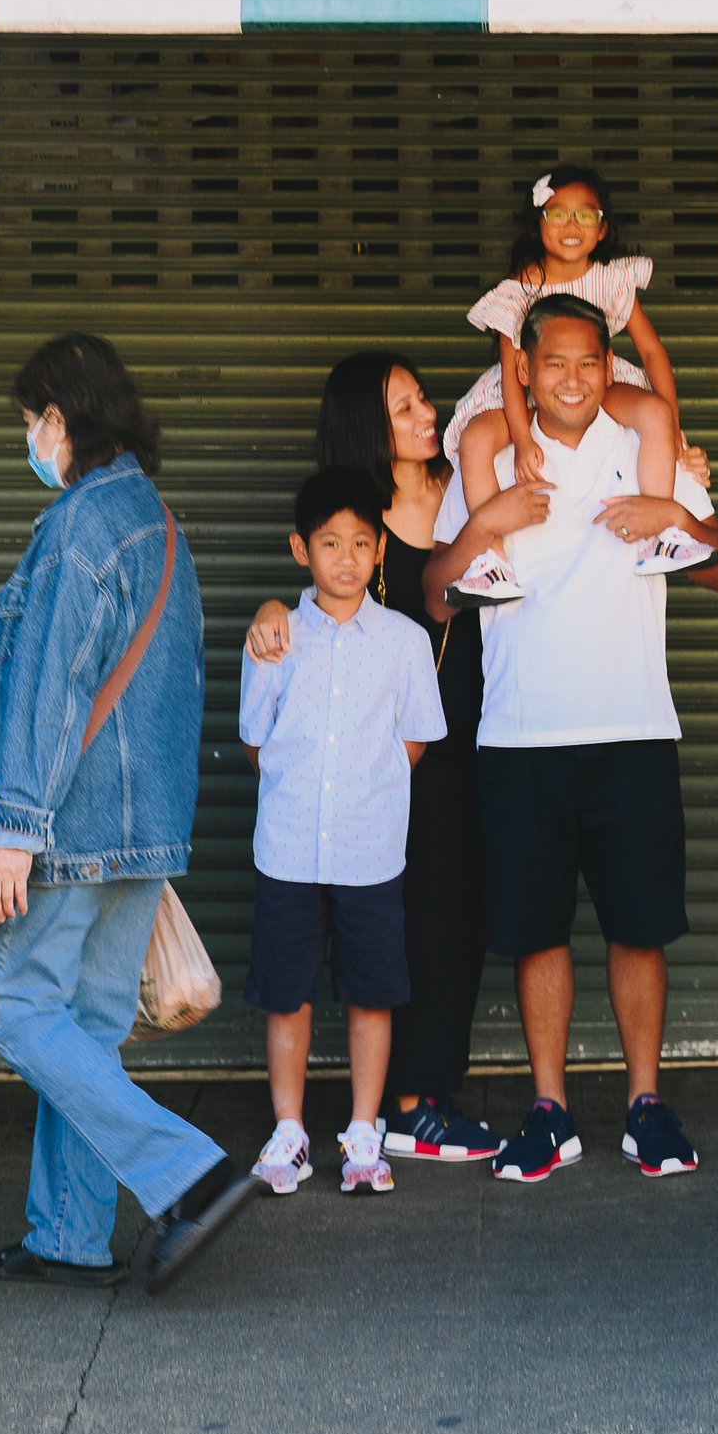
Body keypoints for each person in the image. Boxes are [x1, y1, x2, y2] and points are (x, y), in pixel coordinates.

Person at [0, 332, 258, 1294]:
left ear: (61, 417)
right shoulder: (161, 522)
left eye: (30, 423)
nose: (30, 441)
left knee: (14, 1005)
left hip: (71, 820)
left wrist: (13, 828)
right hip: (145, 828)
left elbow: (54, 687)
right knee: (87, 1029)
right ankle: (68, 1235)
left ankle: (193, 1173)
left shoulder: (81, 526)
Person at [429, 293, 718, 1182]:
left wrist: (672, 516)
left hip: (634, 725)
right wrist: (490, 523)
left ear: (611, 367)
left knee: (639, 928)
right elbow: (437, 593)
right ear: (524, 366)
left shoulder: (643, 441)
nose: (572, 378)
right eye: (553, 362)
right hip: (520, 734)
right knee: (538, 933)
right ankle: (550, 1110)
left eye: (589, 362)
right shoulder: (492, 452)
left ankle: (646, 1106)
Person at [245, 352, 502, 1164]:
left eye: (423, 397)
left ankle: (424, 1096)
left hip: (462, 731)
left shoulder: (469, 484)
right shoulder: (357, 522)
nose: (429, 414)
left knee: (450, 915)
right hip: (370, 761)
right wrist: (265, 608)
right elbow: (305, 618)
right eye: (404, 407)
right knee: (383, 923)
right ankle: (390, 1107)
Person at [238, 463, 446, 1197]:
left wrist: (370, 787)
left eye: (362, 542)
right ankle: (289, 1130)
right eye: (331, 543)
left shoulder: (404, 641)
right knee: (287, 992)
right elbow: (255, 740)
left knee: (370, 991)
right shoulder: (274, 637)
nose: (348, 557)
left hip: (369, 847)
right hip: (289, 845)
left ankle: (365, 1131)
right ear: (302, 549)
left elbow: (417, 739)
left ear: (380, 549)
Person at [447, 163, 707, 604]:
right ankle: (490, 563)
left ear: (602, 228)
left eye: (585, 215)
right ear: (538, 224)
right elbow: (513, 372)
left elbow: (652, 353)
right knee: (474, 439)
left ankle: (658, 536)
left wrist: (675, 433)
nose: (572, 226)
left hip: (595, 381)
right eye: (558, 214)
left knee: (655, 413)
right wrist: (520, 438)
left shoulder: (611, 279)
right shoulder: (520, 289)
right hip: (523, 391)